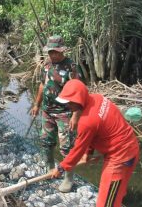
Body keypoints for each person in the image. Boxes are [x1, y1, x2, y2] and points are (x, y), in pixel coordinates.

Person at [51, 79, 140, 207]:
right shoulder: (97, 98)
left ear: (78, 100)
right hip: (131, 148)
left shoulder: (86, 122)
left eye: (70, 102)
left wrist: (61, 168)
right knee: (118, 193)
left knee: (106, 203)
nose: (68, 106)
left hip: (119, 158)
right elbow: (94, 135)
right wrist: (88, 154)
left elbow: (77, 150)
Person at [31, 35, 83, 192]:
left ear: (62, 50)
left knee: (67, 147)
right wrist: (37, 104)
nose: (53, 55)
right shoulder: (47, 65)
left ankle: (68, 178)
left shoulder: (71, 67)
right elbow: (42, 85)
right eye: (50, 51)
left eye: (55, 51)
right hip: (47, 111)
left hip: (64, 113)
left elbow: (78, 92)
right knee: (46, 141)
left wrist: (75, 115)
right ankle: (50, 168)